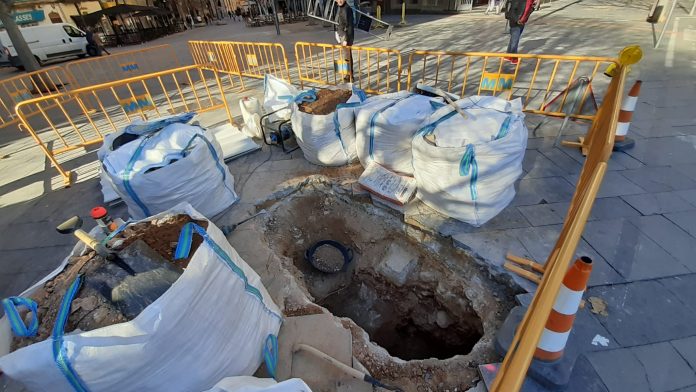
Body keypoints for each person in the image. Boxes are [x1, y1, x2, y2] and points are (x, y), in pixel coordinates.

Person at [335, 0, 354, 82]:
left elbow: (348, 25)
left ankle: (349, 75)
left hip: (345, 36)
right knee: (346, 55)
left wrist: (345, 39)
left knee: (347, 55)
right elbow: (337, 22)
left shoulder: (346, 9)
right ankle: (348, 74)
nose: (339, 0)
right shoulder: (339, 7)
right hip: (341, 34)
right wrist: (336, 32)